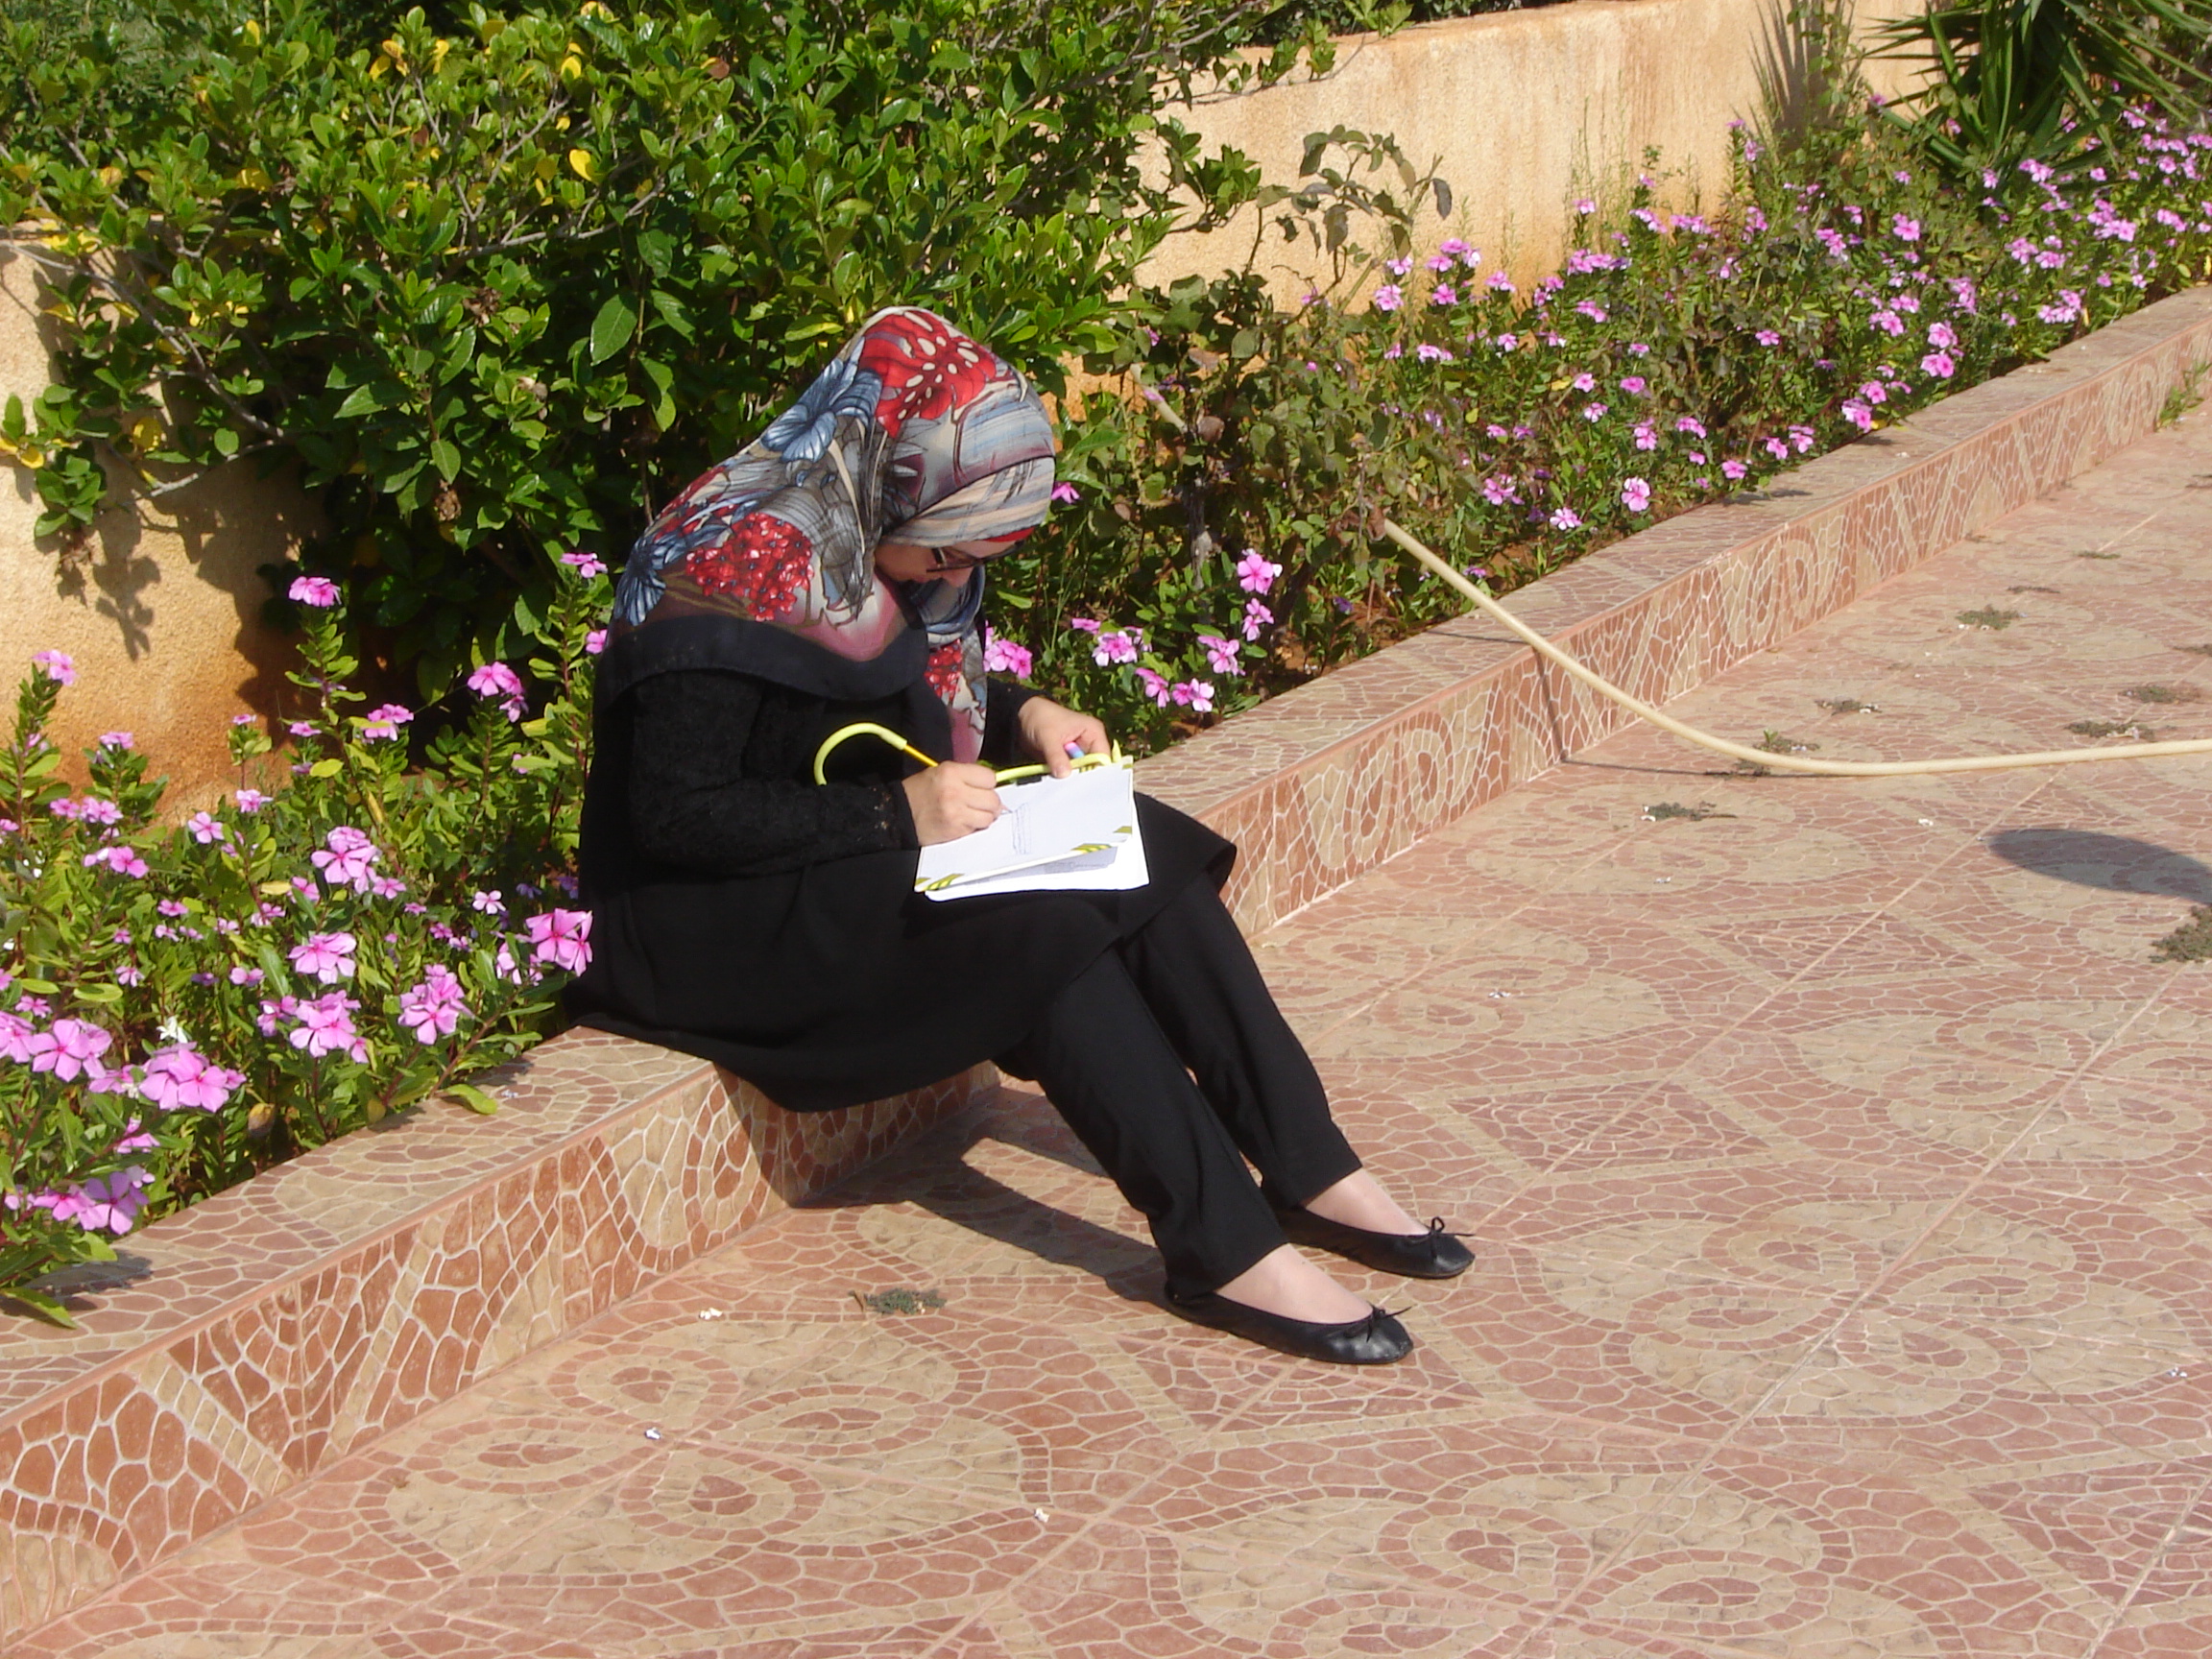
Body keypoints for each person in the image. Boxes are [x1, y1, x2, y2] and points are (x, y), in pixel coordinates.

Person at [567, 307, 1470, 1365]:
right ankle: (1221, 1249)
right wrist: (893, 814)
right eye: (950, 546)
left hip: (835, 853)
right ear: (894, 475)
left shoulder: (868, 528)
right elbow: (671, 817)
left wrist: (1026, 713)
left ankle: (1310, 1166)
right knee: (1041, 937)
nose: (956, 576)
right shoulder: (731, 567)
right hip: (707, 920)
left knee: (1146, 856)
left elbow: (885, 694)